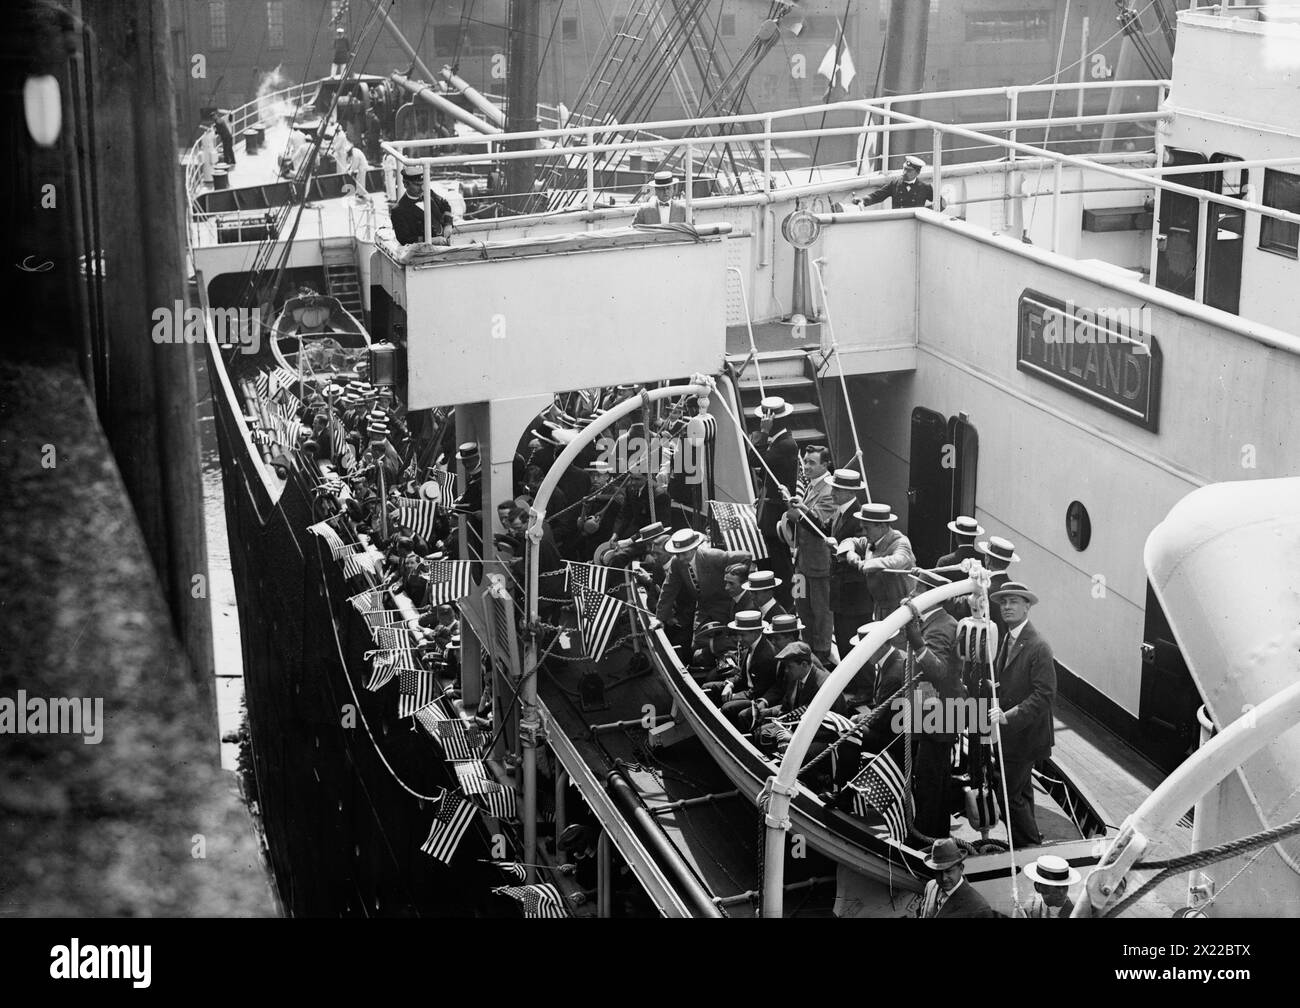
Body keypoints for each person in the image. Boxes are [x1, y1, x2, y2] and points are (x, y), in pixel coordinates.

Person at [986, 581, 1056, 848]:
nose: (1007, 607)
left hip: (1025, 735)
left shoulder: (1038, 646)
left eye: (1014, 601)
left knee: (1007, 791)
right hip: (1012, 736)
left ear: (1027, 606)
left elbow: (1045, 694)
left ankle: (1027, 846)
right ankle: (1028, 839)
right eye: (1003, 602)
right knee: (1021, 791)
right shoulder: (1007, 638)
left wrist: (1009, 716)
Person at [904, 573, 964, 839]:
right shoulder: (934, 621)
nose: (912, 595)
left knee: (930, 779)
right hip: (930, 715)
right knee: (932, 776)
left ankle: (928, 838)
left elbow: (938, 671)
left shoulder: (942, 626)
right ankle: (935, 834)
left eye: (918, 590)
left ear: (933, 596)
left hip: (939, 719)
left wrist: (917, 642)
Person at [656, 527, 751, 649]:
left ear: (694, 548)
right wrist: (659, 619)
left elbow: (746, 556)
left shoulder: (713, 556)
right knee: (696, 645)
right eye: (677, 554)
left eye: (684, 553)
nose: (680, 558)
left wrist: (738, 582)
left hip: (724, 606)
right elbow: (668, 589)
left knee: (729, 642)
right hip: (703, 609)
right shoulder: (676, 563)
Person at [750, 396, 799, 607]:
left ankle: (788, 604)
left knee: (782, 565)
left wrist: (763, 432)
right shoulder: (781, 442)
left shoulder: (786, 444)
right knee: (777, 562)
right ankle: (784, 602)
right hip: (770, 512)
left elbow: (754, 460)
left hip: (776, 517)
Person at [842, 502, 916, 621]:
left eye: (867, 528)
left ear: (881, 526)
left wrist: (866, 563)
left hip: (902, 610)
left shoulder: (900, 542)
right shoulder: (871, 540)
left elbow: (897, 561)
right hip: (880, 608)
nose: (863, 532)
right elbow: (849, 541)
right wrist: (850, 553)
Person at [915, 838, 996, 918]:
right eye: (938, 872)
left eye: (948, 871)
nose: (944, 878)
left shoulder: (979, 908)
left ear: (961, 868)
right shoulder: (930, 887)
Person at [391, 164, 454, 246]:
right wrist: (430, 240)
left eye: (423, 184)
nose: (422, 188)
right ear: (405, 184)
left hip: (445, 244)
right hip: (424, 251)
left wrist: (448, 224)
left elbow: (445, 205)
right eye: (417, 185)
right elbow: (404, 239)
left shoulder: (429, 193)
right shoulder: (398, 210)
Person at [854, 154, 944, 211]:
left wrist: (926, 212)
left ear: (917, 173)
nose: (905, 173)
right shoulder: (895, 183)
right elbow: (878, 196)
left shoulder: (925, 188)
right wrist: (863, 200)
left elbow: (942, 204)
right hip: (898, 221)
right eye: (904, 169)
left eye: (909, 171)